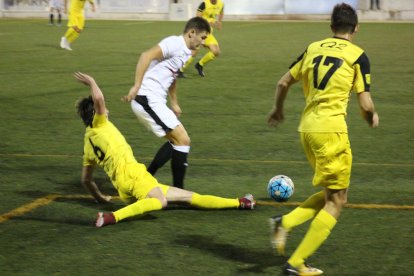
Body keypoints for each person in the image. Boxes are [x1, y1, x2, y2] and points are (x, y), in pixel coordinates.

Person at [267, 3, 379, 275]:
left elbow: (283, 83)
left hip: (307, 129)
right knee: (337, 201)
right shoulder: (358, 55)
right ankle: (295, 263)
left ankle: (284, 222)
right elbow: (365, 104)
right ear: (356, 29)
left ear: (331, 28)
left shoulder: (313, 48)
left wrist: (278, 110)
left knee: (335, 194)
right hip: (331, 132)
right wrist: (372, 117)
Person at [74, 72, 255, 228]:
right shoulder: (100, 124)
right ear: (95, 113)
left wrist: (99, 198)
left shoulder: (87, 143)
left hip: (123, 190)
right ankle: (111, 217)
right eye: (103, 108)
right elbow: (98, 98)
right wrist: (91, 82)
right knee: (161, 201)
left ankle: (241, 203)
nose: (106, 109)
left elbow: (86, 180)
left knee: (189, 197)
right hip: (135, 176)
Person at [123, 17, 211, 189]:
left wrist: (174, 102)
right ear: (192, 33)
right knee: (183, 140)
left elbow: (173, 76)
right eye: (202, 37)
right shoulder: (174, 43)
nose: (204, 42)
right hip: (146, 99)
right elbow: (145, 56)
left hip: (155, 101)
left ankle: (145, 179)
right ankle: (179, 193)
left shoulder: (185, 52)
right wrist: (136, 85)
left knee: (176, 141)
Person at [178, 0, 224, 77]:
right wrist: (209, 23)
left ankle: (199, 64)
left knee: (216, 51)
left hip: (208, 34)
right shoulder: (204, 4)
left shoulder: (221, 4)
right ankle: (180, 70)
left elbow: (221, 12)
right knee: (194, 52)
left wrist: (219, 22)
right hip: (199, 32)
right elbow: (197, 18)